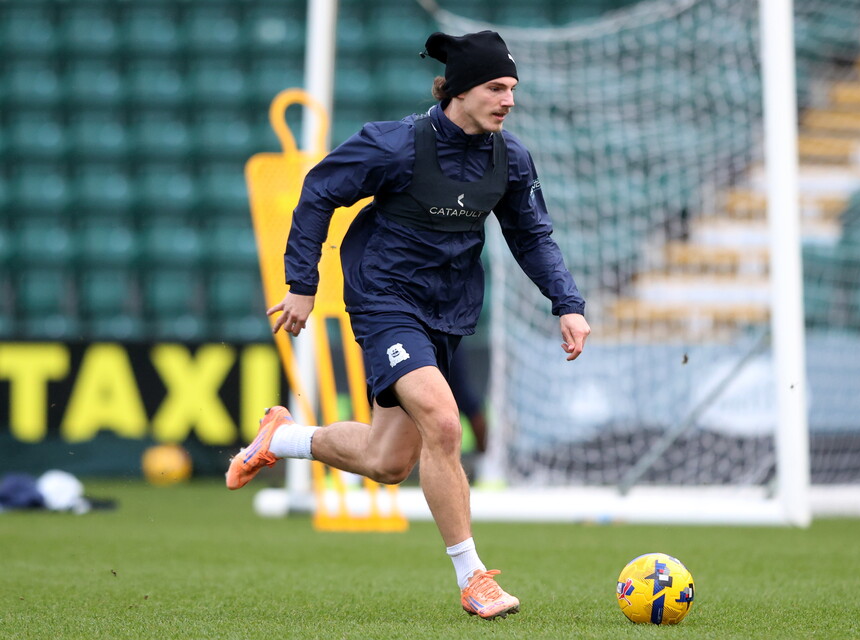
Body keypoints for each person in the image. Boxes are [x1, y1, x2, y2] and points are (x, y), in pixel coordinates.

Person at [226, 30, 590, 620]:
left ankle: (282, 438)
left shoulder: (511, 158)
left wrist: (567, 303)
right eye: (497, 88)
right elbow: (319, 190)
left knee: (387, 461)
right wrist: (301, 284)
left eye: (512, 89)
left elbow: (531, 236)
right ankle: (473, 578)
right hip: (385, 300)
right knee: (445, 423)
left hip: (448, 310)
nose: (509, 100)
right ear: (461, 90)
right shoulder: (393, 144)